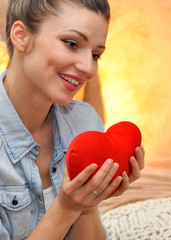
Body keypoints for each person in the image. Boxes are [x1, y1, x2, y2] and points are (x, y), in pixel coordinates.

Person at [1, 0, 145, 239]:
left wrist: (90, 199)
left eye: (96, 55)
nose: (88, 68)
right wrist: (67, 208)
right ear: (21, 36)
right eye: (71, 44)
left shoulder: (84, 122)